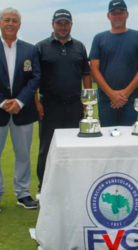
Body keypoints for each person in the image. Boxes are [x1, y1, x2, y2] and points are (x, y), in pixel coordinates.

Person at [0, 7, 41, 214]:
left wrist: (19, 101)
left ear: (19, 25)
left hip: (23, 110)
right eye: (6, 20)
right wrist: (2, 102)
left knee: (23, 155)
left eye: (14, 20)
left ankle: (22, 193)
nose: (10, 23)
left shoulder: (30, 50)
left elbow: (36, 77)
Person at [35, 9, 92, 198]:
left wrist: (88, 100)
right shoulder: (41, 47)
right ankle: (43, 187)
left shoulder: (79, 47)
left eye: (66, 23)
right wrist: (37, 103)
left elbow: (86, 74)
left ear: (71, 25)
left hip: (75, 105)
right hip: (50, 105)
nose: (63, 27)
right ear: (53, 24)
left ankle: (74, 186)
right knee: (46, 148)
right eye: (59, 23)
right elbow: (34, 78)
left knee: (75, 147)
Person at [89, 0, 138, 126]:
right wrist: (111, 94)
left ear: (127, 14)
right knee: (108, 140)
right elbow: (94, 69)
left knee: (129, 141)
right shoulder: (99, 39)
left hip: (131, 99)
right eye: (114, 13)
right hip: (106, 100)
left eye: (120, 13)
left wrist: (126, 93)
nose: (117, 16)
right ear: (108, 16)